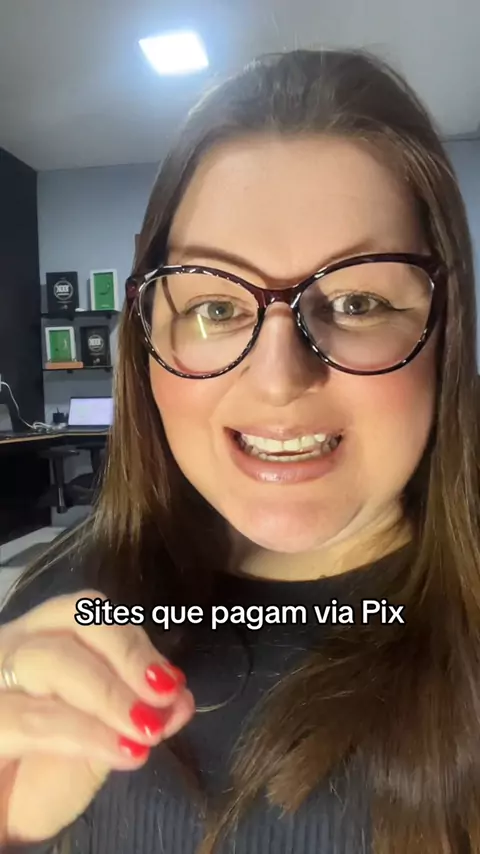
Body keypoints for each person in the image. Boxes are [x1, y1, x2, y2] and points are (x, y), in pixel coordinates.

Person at [0, 47, 479, 854]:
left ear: (444, 332)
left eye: (357, 301)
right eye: (217, 308)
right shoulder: (57, 604)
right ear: (148, 338)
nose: (279, 380)